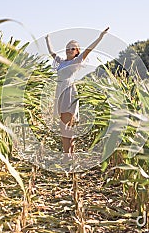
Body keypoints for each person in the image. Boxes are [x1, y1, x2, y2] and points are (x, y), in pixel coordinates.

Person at [45, 27, 109, 158]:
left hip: (69, 93)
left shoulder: (76, 61)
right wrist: (47, 39)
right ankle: (70, 155)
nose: (69, 50)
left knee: (65, 127)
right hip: (60, 93)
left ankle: (67, 156)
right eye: (68, 47)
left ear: (76, 52)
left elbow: (88, 50)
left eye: (73, 48)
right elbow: (51, 52)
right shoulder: (61, 62)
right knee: (65, 127)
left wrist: (100, 37)